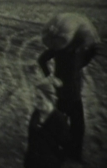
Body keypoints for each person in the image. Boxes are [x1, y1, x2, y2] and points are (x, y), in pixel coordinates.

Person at [38, 13, 100, 161]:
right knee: (62, 124)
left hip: (75, 91)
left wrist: (93, 50)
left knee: (78, 126)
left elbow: (85, 59)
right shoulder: (59, 46)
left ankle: (75, 154)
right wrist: (50, 78)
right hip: (63, 92)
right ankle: (59, 151)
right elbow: (42, 60)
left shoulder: (78, 47)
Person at [24, 78, 71, 168]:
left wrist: (56, 162)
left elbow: (66, 147)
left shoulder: (59, 120)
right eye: (35, 97)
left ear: (50, 98)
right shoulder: (36, 113)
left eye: (40, 98)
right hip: (31, 162)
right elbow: (31, 137)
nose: (36, 102)